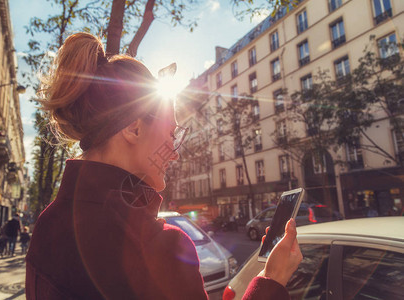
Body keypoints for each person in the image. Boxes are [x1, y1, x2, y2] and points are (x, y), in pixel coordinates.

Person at [26, 32, 302, 299]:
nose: (175, 153)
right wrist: (272, 281)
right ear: (133, 129)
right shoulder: (159, 249)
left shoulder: (47, 224)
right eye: (171, 133)